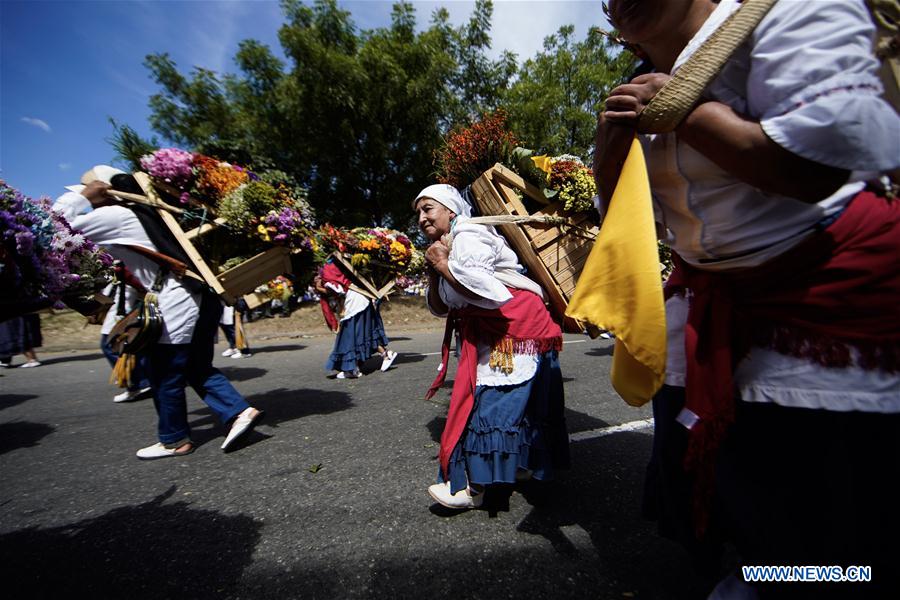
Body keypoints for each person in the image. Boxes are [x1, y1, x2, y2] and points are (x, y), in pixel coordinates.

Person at [597, 1, 900, 598]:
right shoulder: (637, 87)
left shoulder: (786, 12)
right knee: (743, 497)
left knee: (837, 517)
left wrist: (687, 112)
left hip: (827, 306)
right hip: (713, 306)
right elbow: (629, 221)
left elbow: (818, 163)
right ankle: (766, 573)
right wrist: (610, 144)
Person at [54, 167, 264, 459]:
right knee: (194, 366)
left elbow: (56, 229)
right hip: (202, 296)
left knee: (163, 370)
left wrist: (83, 198)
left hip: (177, 300)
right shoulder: (150, 212)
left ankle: (174, 439)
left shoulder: (119, 215)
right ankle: (238, 412)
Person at [414, 184, 570, 510]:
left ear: (451, 211)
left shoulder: (470, 235)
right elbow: (444, 307)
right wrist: (434, 274)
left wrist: (443, 266)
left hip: (513, 328)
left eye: (428, 208)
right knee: (507, 400)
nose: (421, 217)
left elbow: (486, 292)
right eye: (418, 212)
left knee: (495, 401)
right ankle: (522, 464)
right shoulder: (446, 244)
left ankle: (472, 487)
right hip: (492, 329)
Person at [319, 262, 397, 378]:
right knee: (362, 333)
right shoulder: (337, 263)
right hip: (361, 297)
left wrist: (321, 288)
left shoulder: (329, 269)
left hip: (355, 300)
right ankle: (384, 355)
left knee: (351, 334)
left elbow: (337, 289)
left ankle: (353, 369)